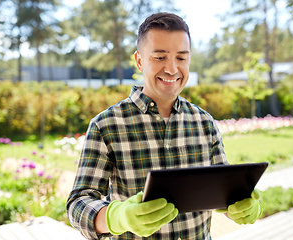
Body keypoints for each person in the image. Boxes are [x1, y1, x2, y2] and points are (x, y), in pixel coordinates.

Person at [66, 12, 262, 240]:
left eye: (181, 57)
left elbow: (222, 189)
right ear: (139, 61)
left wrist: (240, 203)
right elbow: (77, 204)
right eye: (160, 57)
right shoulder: (106, 125)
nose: (172, 69)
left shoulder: (204, 122)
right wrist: (117, 217)